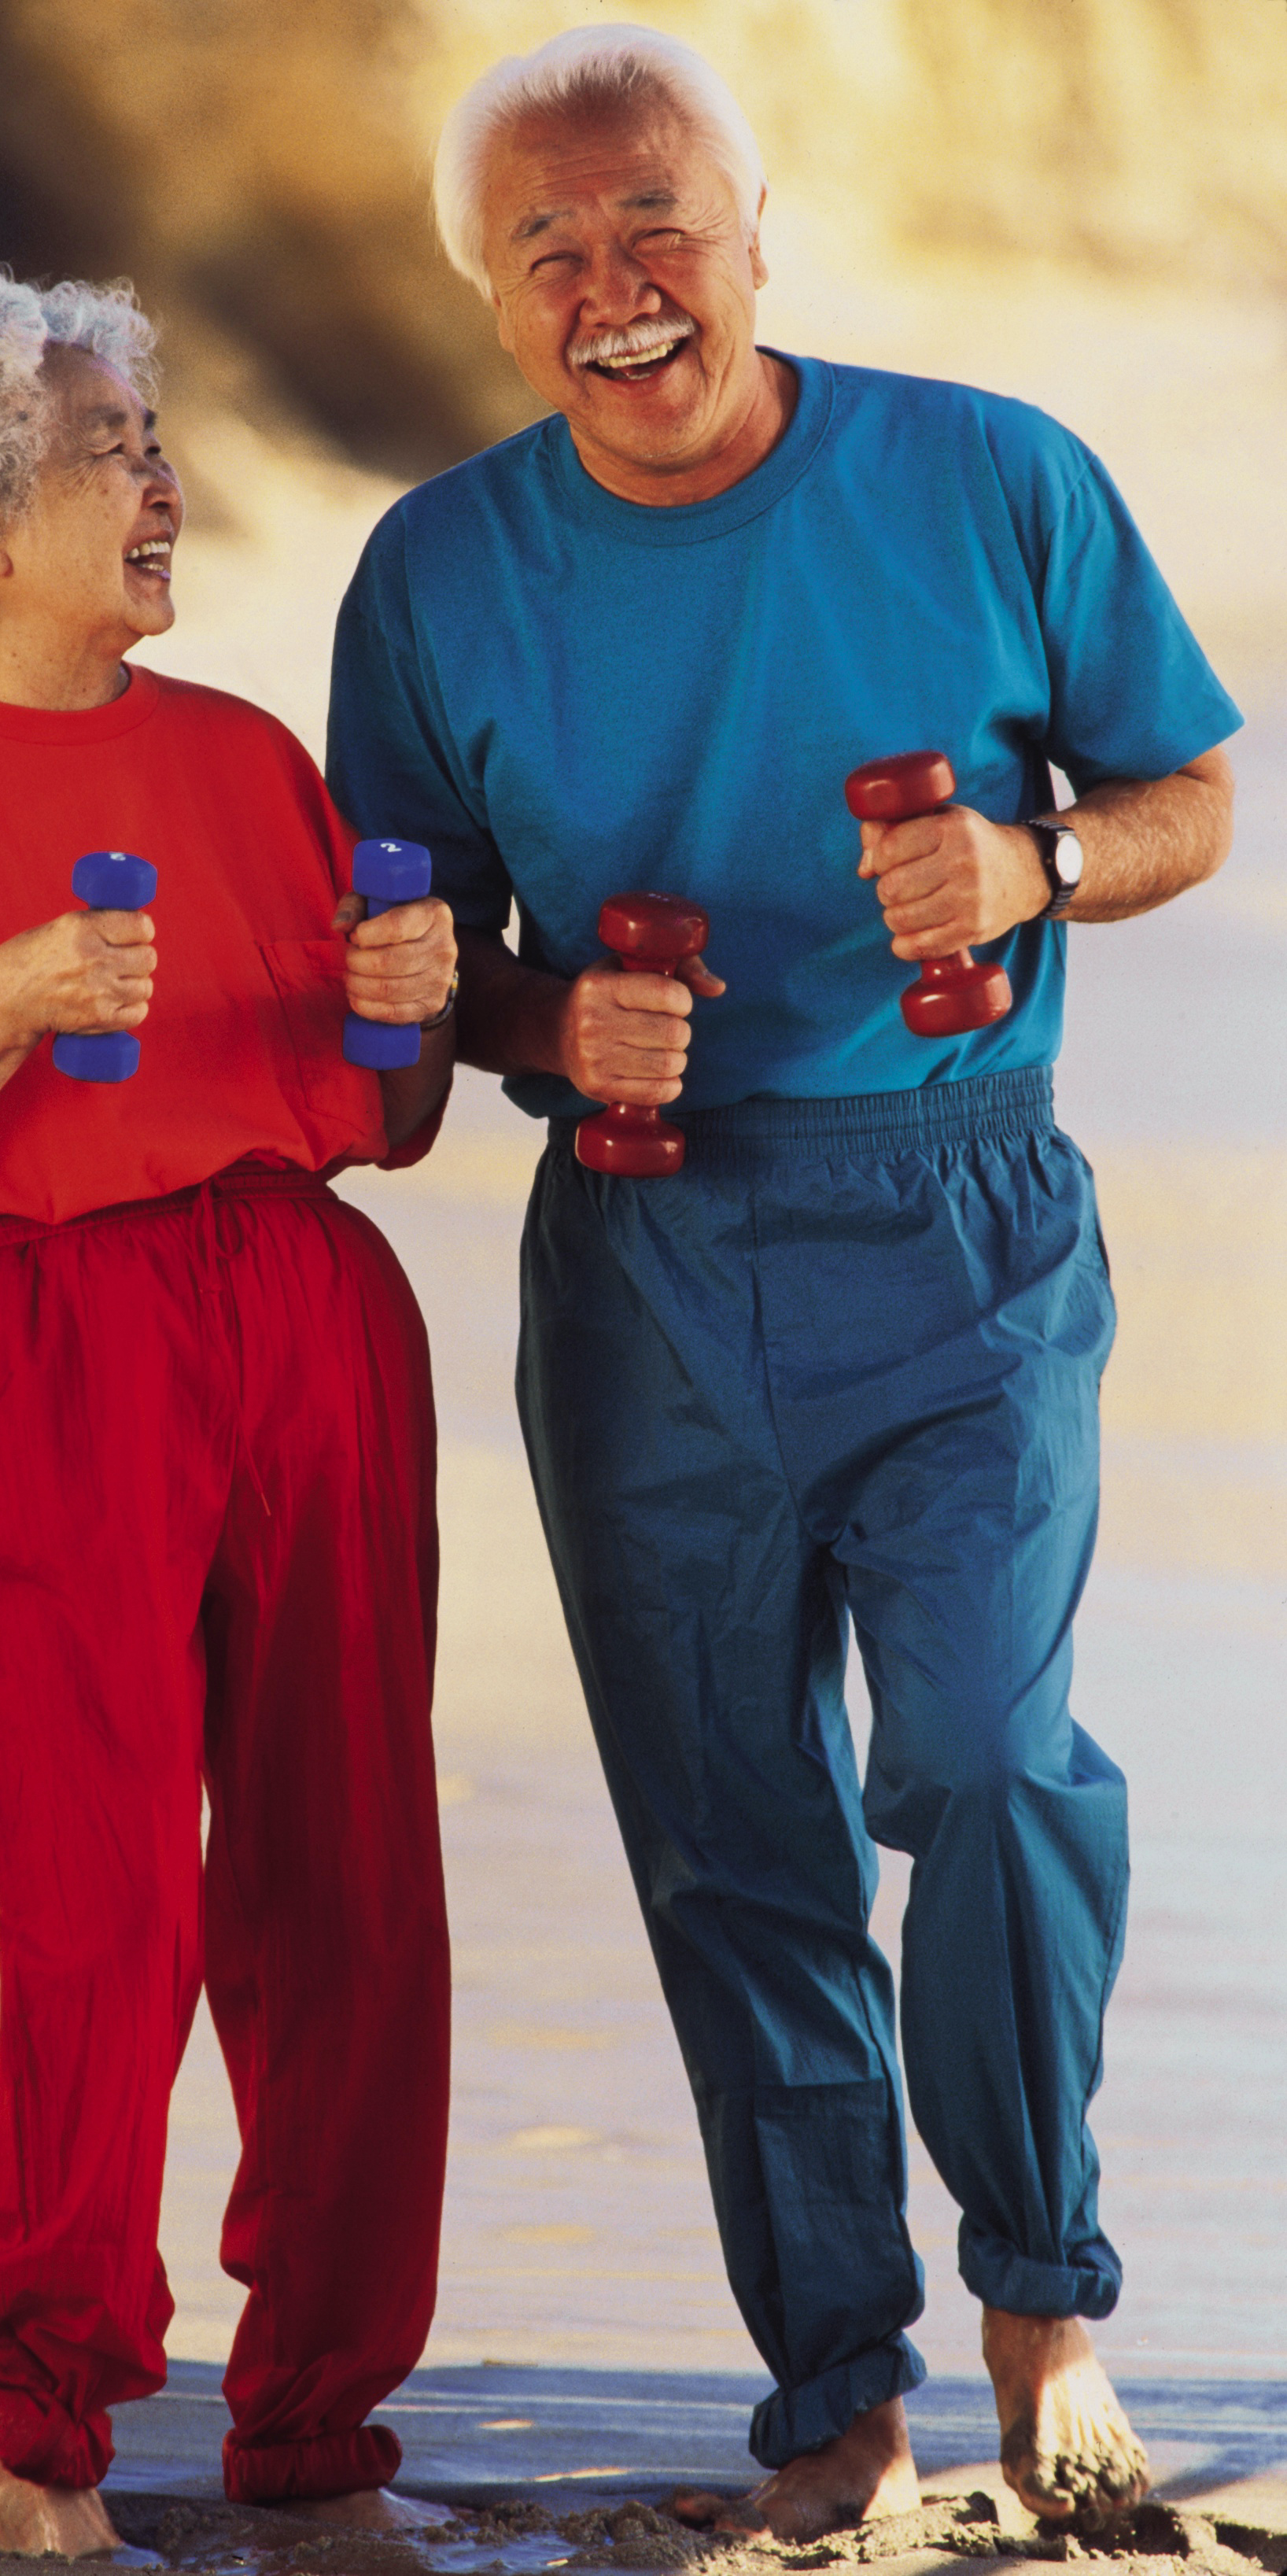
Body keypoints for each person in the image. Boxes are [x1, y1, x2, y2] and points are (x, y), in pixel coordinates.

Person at [326, 24, 1240, 2545]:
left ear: (754, 234)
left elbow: (1185, 789)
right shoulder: (433, 574)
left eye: (654, 230)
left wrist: (1044, 867)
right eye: (550, 252)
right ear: (492, 298)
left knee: (978, 1757)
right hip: (640, 1258)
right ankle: (840, 2383)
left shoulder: (986, 474)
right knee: (736, 1848)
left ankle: (1042, 2299)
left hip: (957, 1221)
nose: (615, 289)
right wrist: (534, 1014)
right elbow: (396, 974)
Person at [0, 268, 458, 2558]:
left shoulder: (242, 755)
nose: (163, 484)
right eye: (111, 448)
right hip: (33, 1344)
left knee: (350, 1890)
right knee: (107, 1902)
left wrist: (416, 1012)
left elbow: (389, 1118)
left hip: (305, 1309)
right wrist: (4, 1007)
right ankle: (45, 2436)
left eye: (151, 435)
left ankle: (317, 2437)